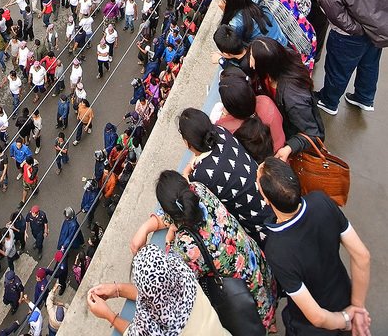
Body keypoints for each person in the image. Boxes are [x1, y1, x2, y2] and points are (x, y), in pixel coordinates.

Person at [130, 169, 277, 330]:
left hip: (248, 301)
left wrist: (168, 242)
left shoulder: (186, 248)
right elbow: (176, 211)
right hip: (260, 270)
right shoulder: (199, 190)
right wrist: (147, 228)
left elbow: (170, 281)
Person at [258, 157, 371, 336]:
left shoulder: (276, 249)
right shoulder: (321, 201)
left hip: (311, 328)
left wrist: (346, 320)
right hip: (344, 295)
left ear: (266, 198)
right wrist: (357, 308)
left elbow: (317, 317)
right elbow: (361, 256)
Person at [305, 0, 388, 114]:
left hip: (350, 37)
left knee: (338, 69)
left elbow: (341, 20)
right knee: (370, 63)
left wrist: (360, 30)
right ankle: (364, 97)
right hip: (379, 25)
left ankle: (329, 101)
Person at [87, 243, 230, 336]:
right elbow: (159, 293)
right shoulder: (183, 273)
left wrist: (109, 315)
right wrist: (117, 290)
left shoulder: (151, 329)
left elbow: (133, 333)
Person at [178, 107, 274, 243]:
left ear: (188, 143)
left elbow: (190, 189)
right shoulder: (221, 132)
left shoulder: (201, 176)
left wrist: (186, 173)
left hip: (260, 228)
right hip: (272, 198)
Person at [249, 38, 324, 161]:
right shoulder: (281, 60)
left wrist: (290, 147)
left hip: (291, 132)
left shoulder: (294, 98)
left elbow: (314, 134)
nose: (250, 62)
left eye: (252, 57)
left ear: (264, 65)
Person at [217, 0, 287, 46]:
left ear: (229, 2)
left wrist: (225, 11)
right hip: (284, 43)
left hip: (272, 54)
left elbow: (227, 40)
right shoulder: (259, 1)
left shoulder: (236, 23)